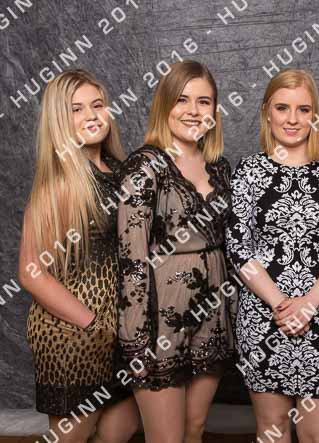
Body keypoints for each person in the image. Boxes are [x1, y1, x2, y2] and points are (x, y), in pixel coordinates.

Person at [226, 68, 319, 443]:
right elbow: (238, 245)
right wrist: (282, 304)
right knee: (273, 431)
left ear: (315, 115)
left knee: (317, 436)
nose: (292, 119)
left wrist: (310, 303)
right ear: (267, 112)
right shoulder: (249, 171)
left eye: (303, 109)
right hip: (265, 317)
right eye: (282, 108)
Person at [117, 60, 236, 443]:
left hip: (212, 317)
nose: (193, 111)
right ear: (164, 104)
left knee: (194, 429)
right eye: (182, 99)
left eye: (204, 101)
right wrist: (136, 341)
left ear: (215, 110)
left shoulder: (219, 168)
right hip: (160, 325)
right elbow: (132, 260)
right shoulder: (144, 167)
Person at [19, 69, 139, 443]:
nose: (91, 115)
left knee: (122, 428)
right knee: (72, 437)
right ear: (59, 119)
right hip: (73, 332)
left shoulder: (120, 171)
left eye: (97, 105)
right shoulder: (61, 183)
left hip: (119, 333)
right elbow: (31, 271)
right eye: (76, 109)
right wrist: (92, 324)